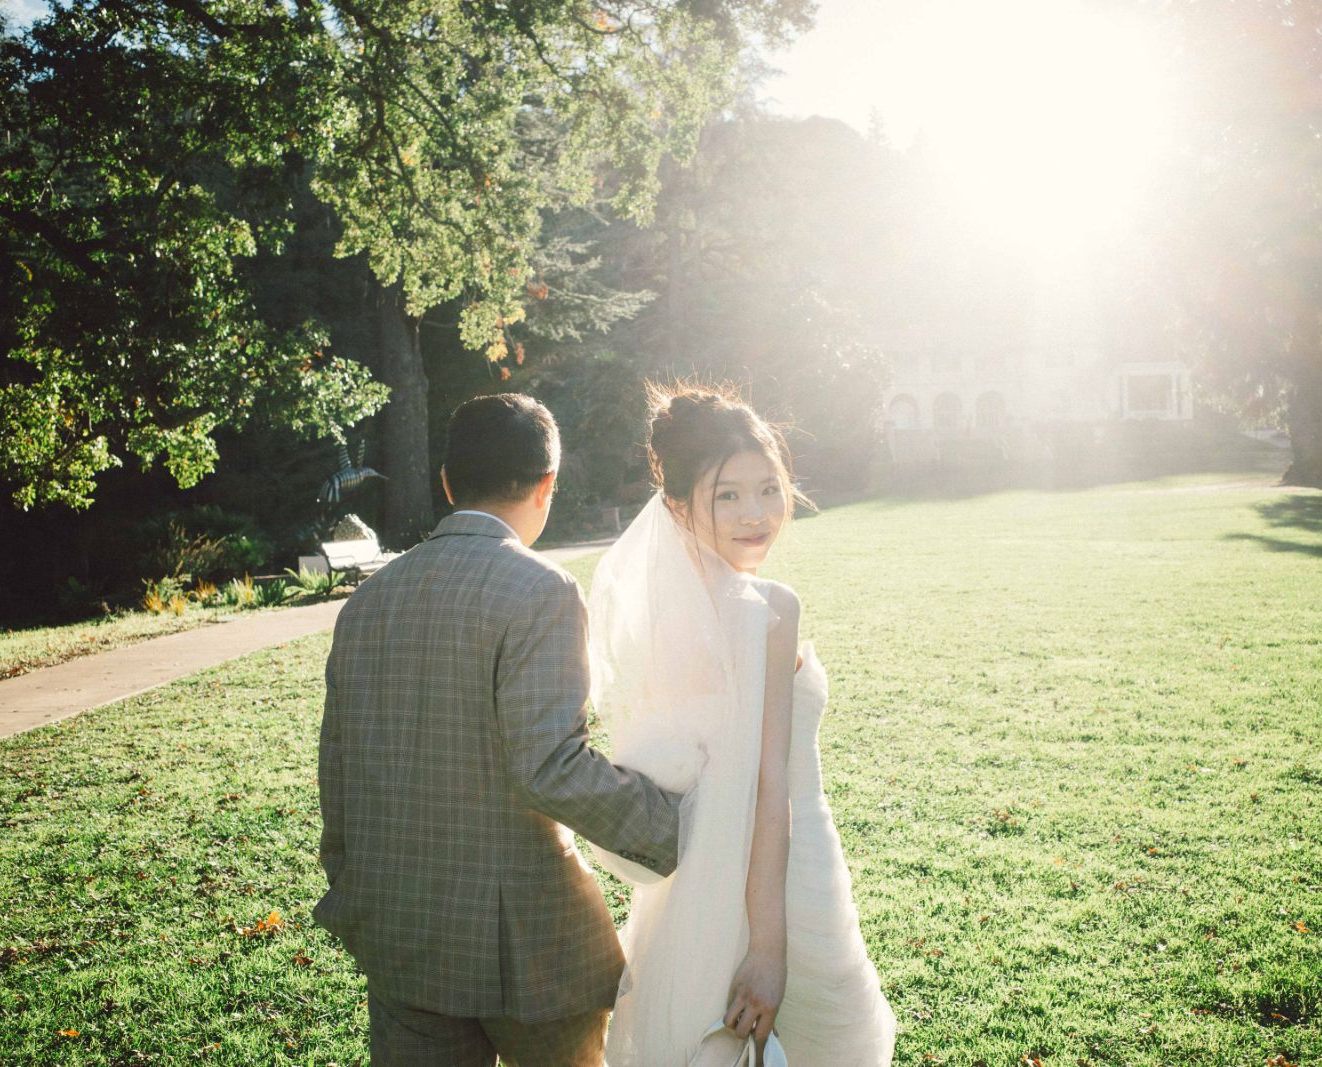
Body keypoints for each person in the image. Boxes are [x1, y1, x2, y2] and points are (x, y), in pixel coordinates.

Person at [314, 393, 685, 1067]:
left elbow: (337, 764)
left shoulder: (366, 603)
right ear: (547, 485)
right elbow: (549, 765)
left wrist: (351, 876)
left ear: (449, 483)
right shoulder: (538, 588)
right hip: (528, 944)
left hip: (400, 926)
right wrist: (679, 826)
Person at [590, 384, 896, 1066]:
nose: (755, 513)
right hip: (784, 875)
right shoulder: (769, 608)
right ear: (677, 507)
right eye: (727, 495)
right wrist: (767, 948)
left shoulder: (660, 618)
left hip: (692, 888)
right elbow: (767, 789)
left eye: (767, 488)